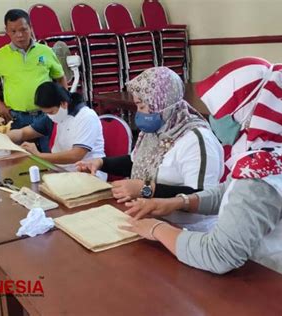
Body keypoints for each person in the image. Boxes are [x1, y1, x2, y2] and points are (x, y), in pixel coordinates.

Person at [120, 57, 282, 300]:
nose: (213, 119)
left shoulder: (263, 170)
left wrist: (157, 229)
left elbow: (219, 254)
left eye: (219, 112)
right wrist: (179, 202)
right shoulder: (275, 151)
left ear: (245, 114)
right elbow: (228, 190)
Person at [76, 67, 224, 230]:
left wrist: (145, 189)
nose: (138, 113)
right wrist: (101, 163)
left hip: (187, 229)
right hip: (150, 218)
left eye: (141, 106)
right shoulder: (156, 130)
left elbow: (202, 196)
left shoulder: (196, 139)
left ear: (161, 103)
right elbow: (136, 162)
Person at [0, 9, 67, 152]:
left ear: (31, 28)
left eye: (23, 29)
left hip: (46, 114)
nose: (19, 35)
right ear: (7, 31)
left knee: (51, 153)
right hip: (18, 117)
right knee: (21, 157)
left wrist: (63, 102)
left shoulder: (45, 51)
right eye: (13, 31)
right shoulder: (0, 56)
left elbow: (60, 77)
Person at [8, 81, 106, 180]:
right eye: (46, 113)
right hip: (61, 170)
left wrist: (39, 156)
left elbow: (76, 155)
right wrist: (1, 137)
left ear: (63, 103)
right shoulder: (53, 116)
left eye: (51, 112)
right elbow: (23, 133)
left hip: (89, 173)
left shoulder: (86, 117)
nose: (49, 115)